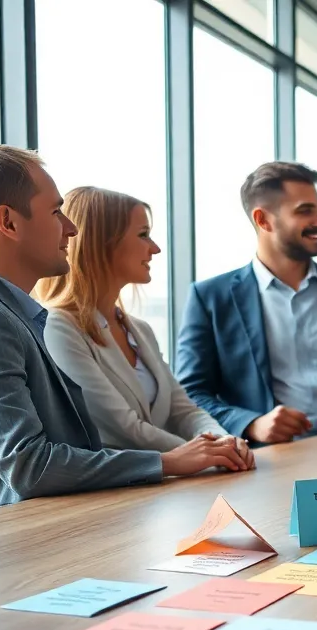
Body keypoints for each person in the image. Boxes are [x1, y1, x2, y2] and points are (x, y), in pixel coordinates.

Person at [0, 145, 250, 516]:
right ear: (8, 222)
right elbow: (29, 466)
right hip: (10, 541)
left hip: (67, 519)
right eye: (56, 212)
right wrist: (169, 462)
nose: (71, 228)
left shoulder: (12, 314)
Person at [176, 161, 317, 443]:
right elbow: (190, 393)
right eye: (305, 211)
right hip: (264, 464)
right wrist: (251, 424)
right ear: (263, 220)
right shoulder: (210, 298)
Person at [35, 187, 252, 470]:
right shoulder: (59, 327)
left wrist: (225, 442)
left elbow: (182, 410)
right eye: (143, 235)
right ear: (102, 243)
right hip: (111, 495)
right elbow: (126, 429)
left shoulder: (140, 330)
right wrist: (207, 455)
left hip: (162, 489)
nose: (155, 248)